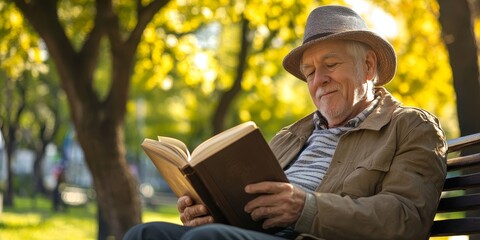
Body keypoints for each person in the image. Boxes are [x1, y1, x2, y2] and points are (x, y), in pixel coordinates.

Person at [124, 5, 447, 240]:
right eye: (309, 72)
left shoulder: (410, 127)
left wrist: (305, 209)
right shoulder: (292, 135)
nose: (319, 80)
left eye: (330, 64)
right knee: (145, 233)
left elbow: (406, 219)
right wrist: (209, 213)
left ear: (368, 64)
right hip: (261, 235)